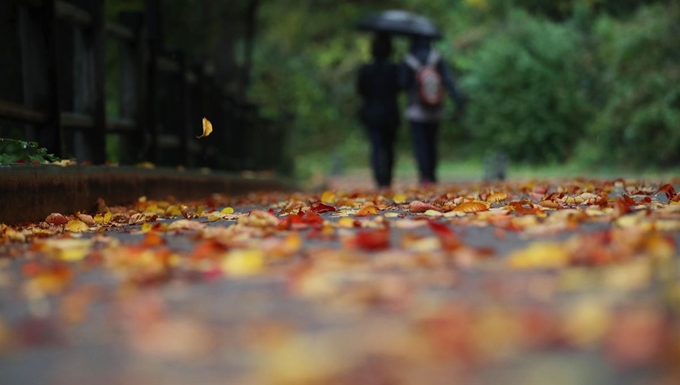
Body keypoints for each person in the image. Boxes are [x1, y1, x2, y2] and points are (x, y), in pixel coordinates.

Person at [399, 36, 465, 185]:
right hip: (435, 110)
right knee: (432, 143)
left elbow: (402, 84)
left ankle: (424, 176)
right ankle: (432, 175)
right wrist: (459, 103)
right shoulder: (436, 58)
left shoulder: (409, 59)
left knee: (420, 144)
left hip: (415, 110)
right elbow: (448, 81)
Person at [357, 33, 401, 189]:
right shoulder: (394, 69)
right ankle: (387, 179)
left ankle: (379, 179)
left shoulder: (366, 69)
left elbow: (361, 90)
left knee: (376, 146)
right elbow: (400, 87)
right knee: (389, 147)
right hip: (390, 112)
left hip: (372, 113)